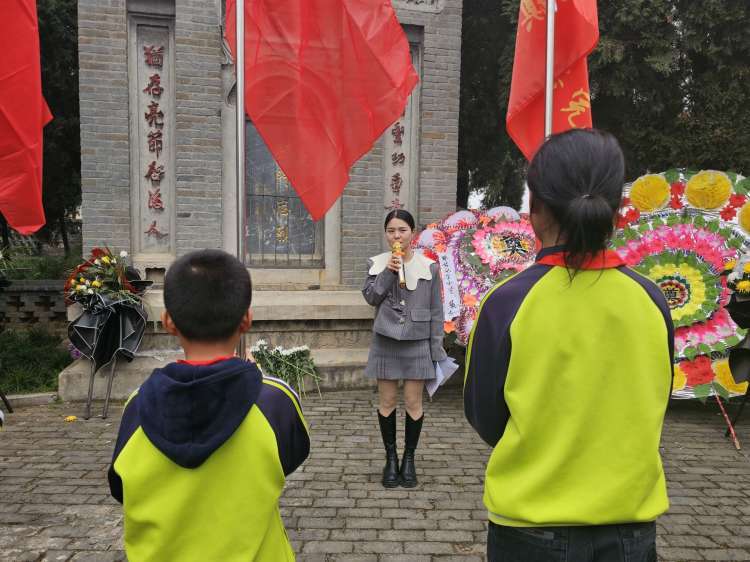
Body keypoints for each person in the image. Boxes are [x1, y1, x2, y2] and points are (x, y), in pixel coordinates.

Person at [464, 129, 673, 562]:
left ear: (536, 208)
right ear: (617, 208)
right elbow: (656, 397)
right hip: (630, 529)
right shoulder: (652, 299)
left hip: (529, 528)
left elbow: (486, 417)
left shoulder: (507, 302)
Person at [108, 249, 310, 561]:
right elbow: (290, 459)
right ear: (246, 320)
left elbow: (121, 489)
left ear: (168, 322)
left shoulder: (138, 407)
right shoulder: (275, 403)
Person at [363, 209, 446, 488]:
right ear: (385, 234)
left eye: (402, 230)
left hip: (418, 341)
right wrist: (389, 271)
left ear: (412, 233)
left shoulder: (429, 267)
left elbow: (437, 310)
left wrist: (437, 350)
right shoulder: (376, 264)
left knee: (413, 403)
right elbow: (372, 297)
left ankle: (409, 458)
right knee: (386, 402)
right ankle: (391, 458)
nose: (396, 236)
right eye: (391, 231)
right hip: (385, 339)